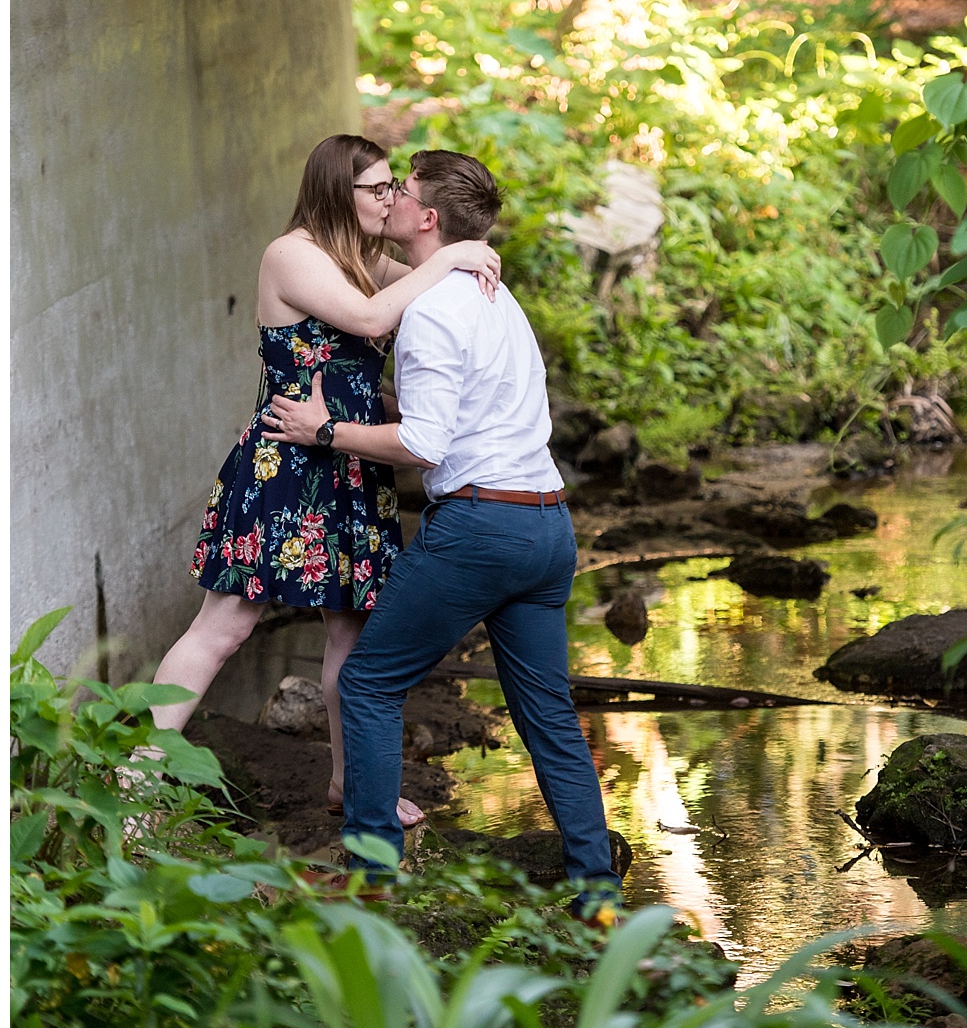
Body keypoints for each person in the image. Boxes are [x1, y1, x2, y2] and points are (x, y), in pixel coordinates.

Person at [262, 149, 620, 910]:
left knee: (366, 683)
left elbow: (424, 446)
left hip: (481, 530)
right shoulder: (495, 296)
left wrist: (326, 431)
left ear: (426, 218)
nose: (387, 200)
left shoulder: (426, 311)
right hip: (549, 528)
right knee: (549, 716)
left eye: (402, 192)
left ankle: (372, 877)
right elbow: (461, 413)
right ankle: (598, 892)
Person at [151, 134, 501, 820]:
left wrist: (462, 256)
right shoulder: (293, 255)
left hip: (347, 469)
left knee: (352, 634)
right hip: (287, 466)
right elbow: (373, 319)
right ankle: (133, 773)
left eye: (395, 186)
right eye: (377, 189)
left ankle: (354, 784)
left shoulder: (364, 262)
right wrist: (457, 254)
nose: (391, 198)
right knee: (225, 625)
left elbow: (439, 298)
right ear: (338, 192)